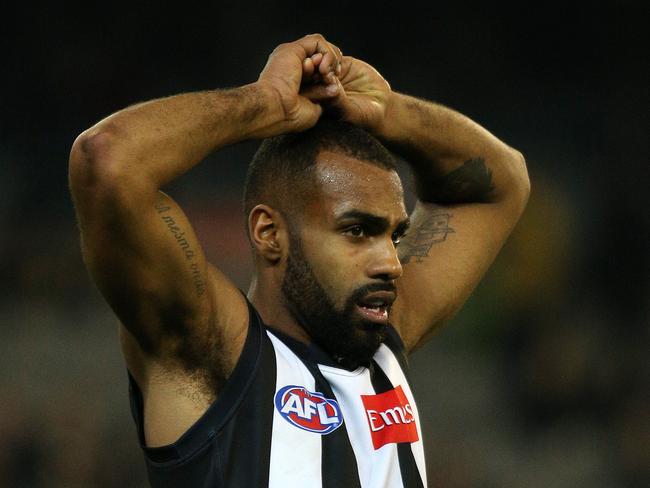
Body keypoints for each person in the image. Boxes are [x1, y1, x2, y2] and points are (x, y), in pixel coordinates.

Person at [69, 34, 529, 487]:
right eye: (357, 231)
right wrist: (265, 103)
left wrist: (388, 113)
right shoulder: (212, 354)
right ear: (269, 234)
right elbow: (108, 161)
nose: (391, 261)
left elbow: (503, 180)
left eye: (395, 235)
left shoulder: (384, 337)